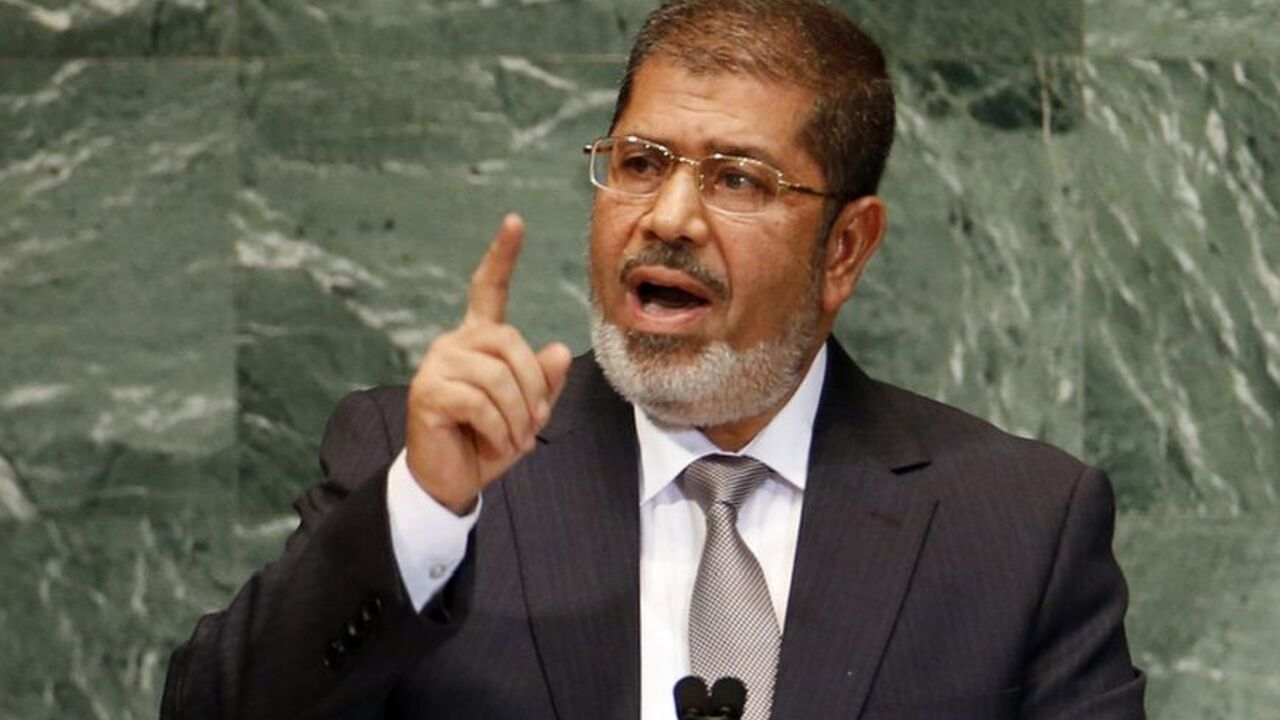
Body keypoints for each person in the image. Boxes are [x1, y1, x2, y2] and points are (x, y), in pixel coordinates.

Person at [162, 0, 1146, 718]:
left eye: (735, 179)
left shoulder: (1018, 525)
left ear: (842, 248)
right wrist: (424, 509)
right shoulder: (424, 466)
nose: (667, 218)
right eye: (639, 163)